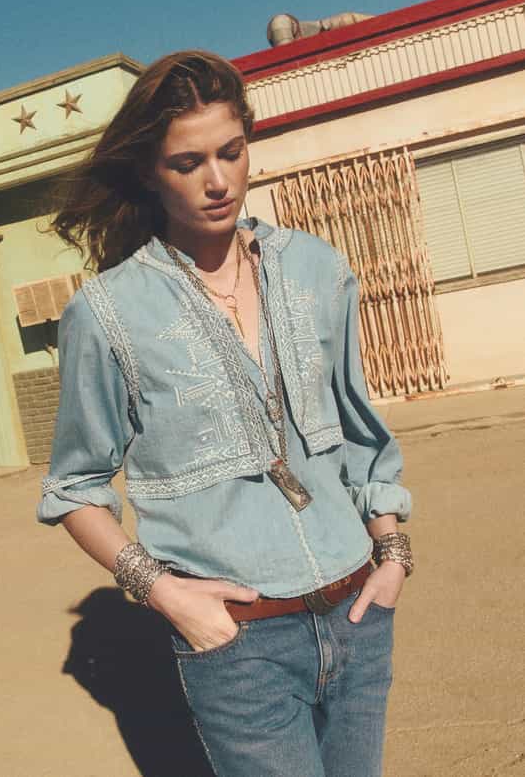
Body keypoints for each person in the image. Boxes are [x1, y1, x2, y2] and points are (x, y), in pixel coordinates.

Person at [37, 50, 413, 777]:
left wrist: (392, 555)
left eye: (231, 152)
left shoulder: (316, 268)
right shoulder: (108, 313)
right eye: (188, 163)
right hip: (241, 645)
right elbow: (74, 487)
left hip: (357, 614)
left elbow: (360, 429)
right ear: (149, 172)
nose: (218, 181)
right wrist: (164, 593)